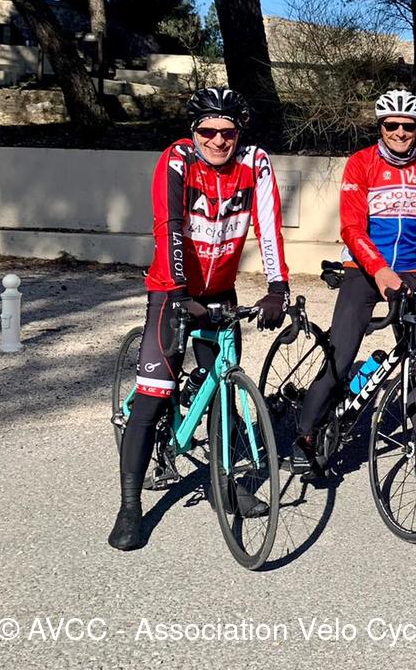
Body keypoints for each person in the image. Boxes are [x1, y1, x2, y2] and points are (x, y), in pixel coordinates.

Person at [109, 88, 290, 552]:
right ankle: (130, 507)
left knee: (224, 389)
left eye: (228, 132)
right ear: (194, 132)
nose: (218, 140)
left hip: (220, 292)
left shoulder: (255, 162)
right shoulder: (178, 160)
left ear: (239, 133)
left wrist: (277, 287)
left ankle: (224, 484)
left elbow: (269, 225)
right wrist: (179, 294)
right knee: (152, 399)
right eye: (208, 131)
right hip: (172, 290)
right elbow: (169, 226)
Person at [290, 90, 416, 482]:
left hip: (412, 270)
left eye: (408, 126)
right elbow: (352, 227)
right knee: (340, 357)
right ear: (381, 127)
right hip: (364, 270)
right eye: (392, 125)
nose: (400, 132)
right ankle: (306, 435)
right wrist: (380, 270)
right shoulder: (361, 163)